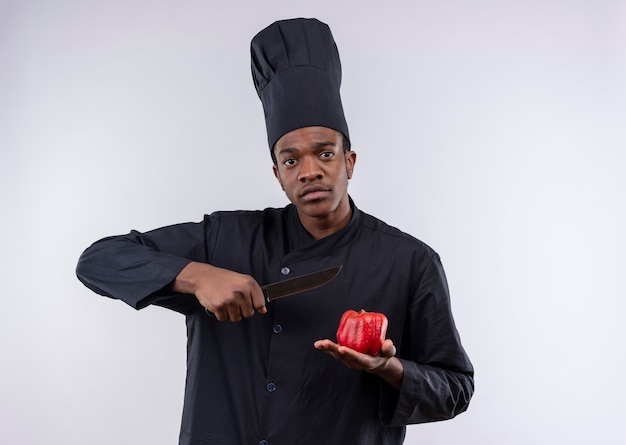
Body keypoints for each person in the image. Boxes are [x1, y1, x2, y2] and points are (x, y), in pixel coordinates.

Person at [76, 18, 474, 445]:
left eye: (325, 153)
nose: (309, 172)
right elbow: (97, 260)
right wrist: (199, 276)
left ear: (350, 162)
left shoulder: (409, 261)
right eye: (291, 161)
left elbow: (455, 388)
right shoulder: (223, 238)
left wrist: (387, 369)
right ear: (277, 174)